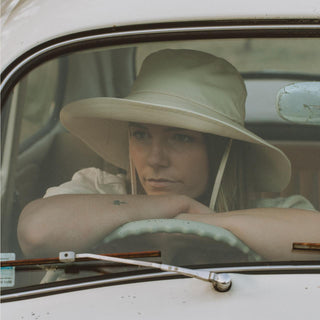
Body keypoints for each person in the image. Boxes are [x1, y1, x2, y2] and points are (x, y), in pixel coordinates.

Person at [17, 49, 319, 260]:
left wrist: (206, 221)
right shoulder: (97, 189)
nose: (155, 159)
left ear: (220, 151)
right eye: (141, 135)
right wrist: (175, 203)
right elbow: (36, 232)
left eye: (181, 138)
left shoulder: (267, 211)